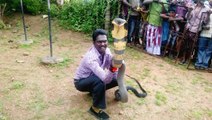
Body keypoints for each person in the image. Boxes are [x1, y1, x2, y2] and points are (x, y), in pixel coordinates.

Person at [74, 29, 118, 120]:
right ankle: (95, 108)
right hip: (81, 82)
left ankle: (95, 91)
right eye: (99, 42)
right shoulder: (91, 57)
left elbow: (110, 64)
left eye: (105, 41)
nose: (103, 44)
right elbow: (106, 78)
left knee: (116, 78)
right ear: (94, 42)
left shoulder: (107, 50)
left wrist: (116, 66)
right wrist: (113, 68)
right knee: (100, 80)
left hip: (93, 78)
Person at [195, 0, 212, 70]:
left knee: (209, 50)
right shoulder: (207, 11)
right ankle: (199, 63)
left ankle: (204, 65)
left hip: (210, 35)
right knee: (201, 49)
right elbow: (201, 21)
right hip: (204, 33)